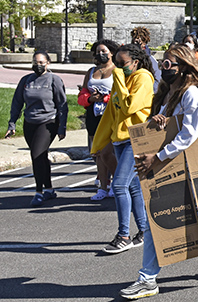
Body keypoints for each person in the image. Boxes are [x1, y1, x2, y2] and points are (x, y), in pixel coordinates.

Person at [119, 45, 198, 299]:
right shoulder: (167, 94)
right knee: (158, 220)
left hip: (188, 166)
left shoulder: (192, 94)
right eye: (162, 63)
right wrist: (158, 122)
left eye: (168, 64)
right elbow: (164, 128)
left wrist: (157, 157)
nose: (163, 68)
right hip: (171, 166)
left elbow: (190, 133)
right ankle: (148, 278)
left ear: (183, 67)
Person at [92, 44, 154, 253]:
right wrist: (99, 143)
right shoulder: (122, 80)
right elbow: (112, 112)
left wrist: (117, 76)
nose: (118, 68)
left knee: (118, 186)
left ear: (135, 62)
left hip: (136, 138)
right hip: (120, 139)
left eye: (123, 64)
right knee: (133, 187)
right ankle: (144, 231)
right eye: (116, 64)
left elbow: (129, 107)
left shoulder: (142, 78)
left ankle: (124, 235)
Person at [5, 52, 68, 207]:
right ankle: (49, 189)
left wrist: (62, 127)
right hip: (30, 123)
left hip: (47, 122)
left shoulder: (54, 80)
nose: (38, 65)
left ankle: (39, 192)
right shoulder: (26, 80)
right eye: (35, 62)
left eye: (41, 62)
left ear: (48, 63)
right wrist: (12, 124)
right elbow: (17, 103)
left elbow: (62, 105)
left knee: (37, 154)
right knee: (40, 156)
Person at [80, 40, 119, 201]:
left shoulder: (117, 71)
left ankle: (117, 183)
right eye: (97, 51)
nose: (100, 54)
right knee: (97, 153)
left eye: (104, 51)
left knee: (108, 151)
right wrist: (90, 98)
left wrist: (106, 98)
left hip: (111, 114)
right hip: (93, 114)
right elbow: (83, 92)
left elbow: (121, 93)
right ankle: (103, 187)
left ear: (111, 53)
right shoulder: (91, 71)